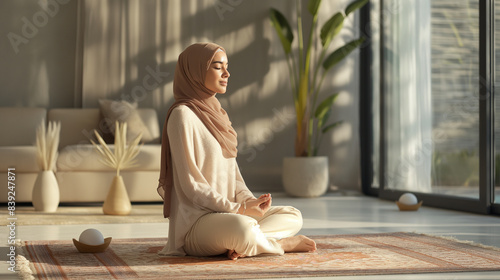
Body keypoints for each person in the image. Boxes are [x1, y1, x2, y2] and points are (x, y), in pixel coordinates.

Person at [157, 42, 316, 260]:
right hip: (197, 223)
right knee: (242, 226)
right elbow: (192, 186)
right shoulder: (182, 115)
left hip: (230, 214)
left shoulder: (219, 115)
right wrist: (239, 209)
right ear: (195, 71)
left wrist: (252, 203)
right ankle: (280, 245)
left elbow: (234, 177)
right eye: (217, 66)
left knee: (292, 215)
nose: (227, 73)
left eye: (226, 66)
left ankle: (252, 242)